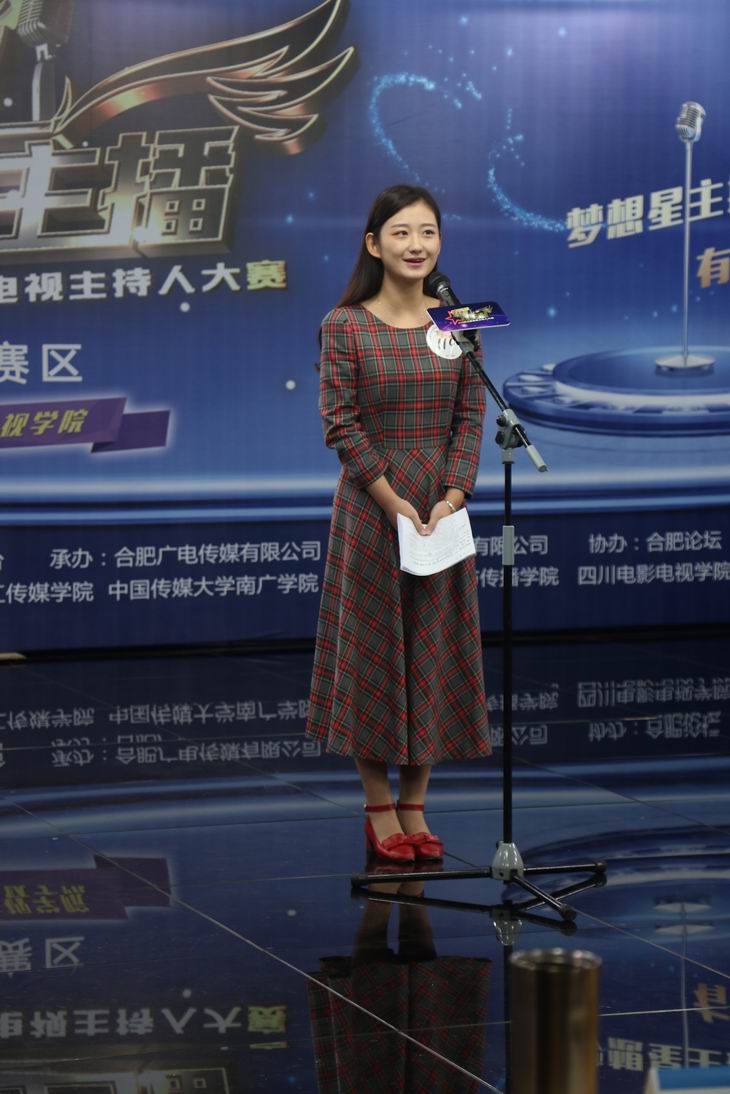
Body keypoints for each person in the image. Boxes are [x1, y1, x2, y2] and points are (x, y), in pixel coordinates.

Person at [305, 183, 491, 864]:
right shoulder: (345, 324)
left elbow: (471, 415)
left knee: (432, 648)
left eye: (428, 232)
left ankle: (416, 803)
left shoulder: (459, 321)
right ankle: (379, 806)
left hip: (440, 507)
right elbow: (340, 423)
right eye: (402, 233)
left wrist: (454, 493)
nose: (417, 246)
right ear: (374, 244)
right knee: (375, 652)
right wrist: (392, 501)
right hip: (373, 504)